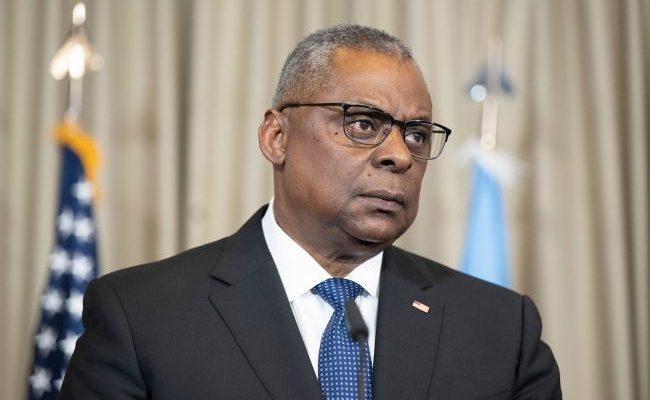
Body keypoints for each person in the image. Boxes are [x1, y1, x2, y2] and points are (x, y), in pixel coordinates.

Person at [59, 24, 561, 400]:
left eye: (416, 134)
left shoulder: (501, 328)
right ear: (277, 137)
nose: (400, 155)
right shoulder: (142, 317)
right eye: (363, 124)